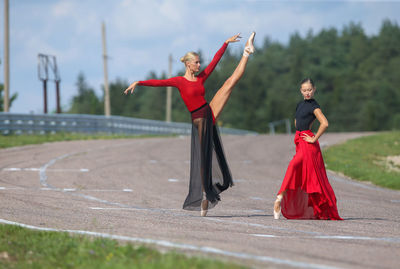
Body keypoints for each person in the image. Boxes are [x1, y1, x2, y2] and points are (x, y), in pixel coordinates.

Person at [124, 32, 256, 216]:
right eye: (196, 62)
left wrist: (225, 43)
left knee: (229, 83)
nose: (199, 65)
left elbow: (215, 62)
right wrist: (139, 82)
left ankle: (247, 52)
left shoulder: (201, 78)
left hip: (208, 111)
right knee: (203, 158)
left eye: (199, 62)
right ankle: (205, 193)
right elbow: (159, 83)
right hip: (198, 119)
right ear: (188, 64)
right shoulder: (179, 81)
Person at [273, 78, 342, 220]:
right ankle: (282, 199)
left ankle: (279, 198)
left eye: (309, 90)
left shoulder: (314, 106)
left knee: (294, 167)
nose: (307, 93)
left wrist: (314, 138)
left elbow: (325, 123)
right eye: (304, 90)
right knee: (304, 176)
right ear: (301, 91)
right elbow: (297, 121)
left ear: (314, 89)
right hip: (300, 142)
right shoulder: (300, 104)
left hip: (308, 145)